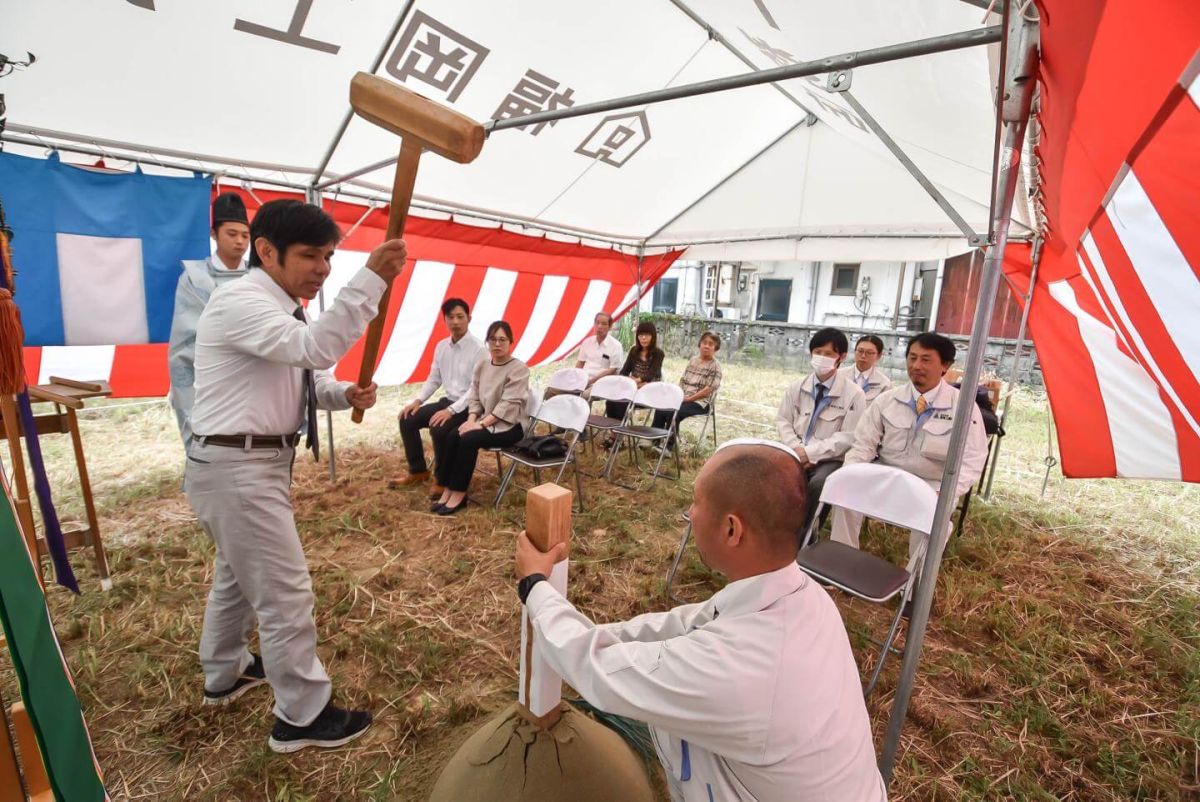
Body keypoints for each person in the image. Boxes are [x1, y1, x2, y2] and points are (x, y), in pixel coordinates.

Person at [515, 440, 887, 801]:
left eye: (696, 502)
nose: (690, 514)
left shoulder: (739, 667)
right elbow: (684, 622)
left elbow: (595, 669)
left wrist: (535, 586)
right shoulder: (800, 595)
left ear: (731, 529)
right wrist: (600, 633)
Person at [185, 199, 407, 752]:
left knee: (236, 579)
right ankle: (302, 716)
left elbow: (301, 376)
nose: (323, 268)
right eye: (311, 255)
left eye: (330, 256)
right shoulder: (241, 301)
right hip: (238, 468)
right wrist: (371, 279)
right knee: (285, 595)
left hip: (242, 463)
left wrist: (343, 394)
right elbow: (313, 349)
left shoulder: (281, 308)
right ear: (266, 251)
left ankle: (225, 671)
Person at [832, 332, 988, 580]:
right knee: (845, 494)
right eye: (912, 357)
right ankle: (840, 567)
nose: (916, 366)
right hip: (887, 477)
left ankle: (914, 586)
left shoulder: (963, 407)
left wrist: (949, 492)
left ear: (945, 366)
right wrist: (850, 474)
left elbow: (973, 459)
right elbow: (863, 444)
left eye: (926, 359)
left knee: (935, 518)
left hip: (932, 486)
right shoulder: (887, 400)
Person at [167, 192, 251, 444]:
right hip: (210, 379)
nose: (239, 242)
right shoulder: (195, 278)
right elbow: (186, 339)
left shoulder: (259, 274)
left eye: (245, 236)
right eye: (232, 234)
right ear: (214, 234)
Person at [432, 321, 530, 516]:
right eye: (493, 339)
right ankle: (448, 488)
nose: (497, 344)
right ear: (487, 342)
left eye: (502, 339)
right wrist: (471, 420)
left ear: (511, 342)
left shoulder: (519, 369)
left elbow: (507, 406)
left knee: (468, 439)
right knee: (453, 435)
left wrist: (479, 425)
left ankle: (459, 494)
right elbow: (474, 396)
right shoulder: (483, 364)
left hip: (510, 426)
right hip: (485, 419)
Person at [390, 298, 485, 496]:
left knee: (439, 427)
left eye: (460, 317)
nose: (456, 322)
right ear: (444, 320)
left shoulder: (479, 349)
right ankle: (418, 471)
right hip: (448, 400)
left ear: (469, 318)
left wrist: (450, 411)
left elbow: (475, 389)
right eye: (451, 317)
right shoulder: (441, 346)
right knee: (407, 418)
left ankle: (442, 479)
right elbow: (434, 378)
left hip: (470, 407)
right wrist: (417, 401)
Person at [776, 327, 865, 536]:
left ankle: (804, 536)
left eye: (829, 354)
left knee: (819, 484)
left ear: (841, 357)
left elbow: (848, 437)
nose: (821, 358)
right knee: (773, 474)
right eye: (817, 352)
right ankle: (775, 530)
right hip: (794, 450)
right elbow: (783, 421)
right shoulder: (797, 387)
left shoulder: (854, 394)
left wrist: (810, 453)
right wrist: (796, 449)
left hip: (830, 459)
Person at [652, 331, 722, 448]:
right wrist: (678, 395)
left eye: (711, 344)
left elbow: (708, 390)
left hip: (701, 403)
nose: (706, 346)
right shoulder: (693, 360)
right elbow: (683, 380)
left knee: (673, 412)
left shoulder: (715, 366)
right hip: (684, 399)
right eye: (704, 342)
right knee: (661, 407)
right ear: (699, 344)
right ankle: (654, 440)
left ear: (716, 348)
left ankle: (669, 447)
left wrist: (689, 399)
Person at [602, 320, 664, 445]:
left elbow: (652, 374)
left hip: (648, 391)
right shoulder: (634, 351)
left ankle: (618, 438)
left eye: (647, 335)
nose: (643, 338)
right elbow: (624, 371)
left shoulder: (658, 354)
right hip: (632, 388)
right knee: (611, 401)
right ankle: (615, 435)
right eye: (641, 335)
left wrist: (636, 381)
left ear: (653, 336)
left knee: (622, 404)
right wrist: (630, 382)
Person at [574, 311, 624, 389]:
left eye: (604, 324)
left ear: (610, 327)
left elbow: (612, 370)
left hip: (602, 382)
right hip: (583, 379)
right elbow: (580, 363)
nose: (599, 326)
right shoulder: (587, 342)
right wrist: (575, 377)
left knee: (582, 395)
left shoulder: (616, 346)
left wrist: (590, 381)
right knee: (552, 391)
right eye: (597, 323)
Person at [839, 334, 892, 405]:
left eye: (869, 353)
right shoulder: (839, 375)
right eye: (860, 351)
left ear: (878, 356)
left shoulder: (884, 384)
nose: (863, 356)